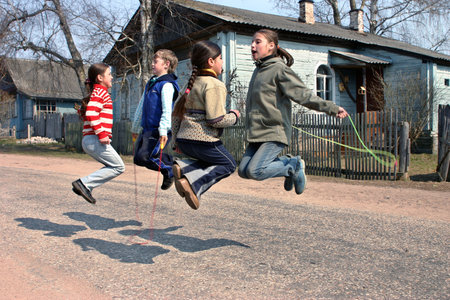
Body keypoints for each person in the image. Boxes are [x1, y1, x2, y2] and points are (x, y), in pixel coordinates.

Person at [238, 28, 348, 194]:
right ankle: (288, 165)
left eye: (257, 42)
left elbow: (303, 95)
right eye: (252, 42)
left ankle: (293, 165)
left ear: (271, 46)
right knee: (243, 171)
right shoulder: (258, 70)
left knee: (255, 171)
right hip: (256, 133)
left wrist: (332, 108)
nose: (252, 45)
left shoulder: (279, 69)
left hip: (274, 131)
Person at [171, 40, 240, 210]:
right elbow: (215, 120)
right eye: (221, 58)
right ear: (211, 61)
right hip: (204, 140)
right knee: (229, 164)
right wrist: (234, 116)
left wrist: (175, 141)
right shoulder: (214, 85)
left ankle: (183, 167)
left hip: (184, 142)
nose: (222, 62)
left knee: (212, 162)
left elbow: (176, 116)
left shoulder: (189, 84)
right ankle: (194, 184)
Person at [72, 63, 125, 204]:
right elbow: (91, 113)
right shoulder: (101, 92)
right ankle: (84, 184)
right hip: (94, 139)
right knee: (118, 166)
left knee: (115, 166)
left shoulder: (98, 93)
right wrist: (102, 134)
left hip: (91, 140)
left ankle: (85, 185)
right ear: (100, 77)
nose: (112, 77)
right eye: (109, 74)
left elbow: (89, 113)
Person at [131, 49, 180, 190]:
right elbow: (141, 106)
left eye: (155, 61)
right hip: (146, 129)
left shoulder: (167, 85)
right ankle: (171, 166)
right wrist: (135, 127)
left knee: (145, 157)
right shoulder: (151, 83)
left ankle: (171, 170)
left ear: (166, 64)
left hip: (158, 130)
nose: (152, 64)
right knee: (138, 159)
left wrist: (163, 131)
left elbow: (166, 110)